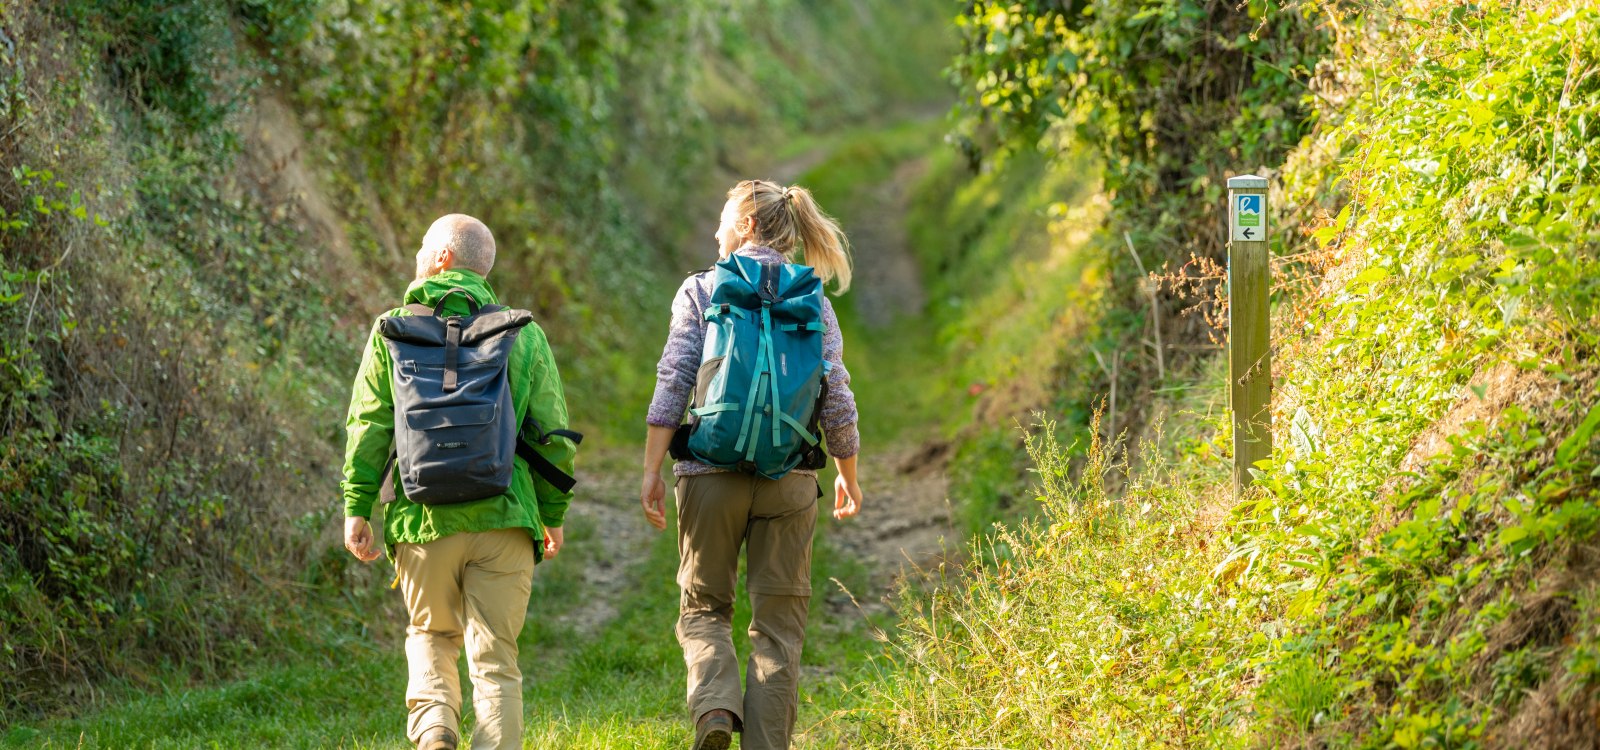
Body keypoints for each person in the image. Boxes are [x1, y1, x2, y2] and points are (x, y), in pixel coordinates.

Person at [640, 180, 865, 750]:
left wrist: (651, 467)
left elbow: (675, 377)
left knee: (704, 608)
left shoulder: (701, 289)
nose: (716, 231)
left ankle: (715, 709)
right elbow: (835, 393)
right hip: (789, 476)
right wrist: (847, 472)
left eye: (721, 220)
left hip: (709, 473)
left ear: (744, 226)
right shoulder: (812, 297)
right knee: (779, 630)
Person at [340, 214, 577, 750]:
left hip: (423, 522)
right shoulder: (522, 332)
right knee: (495, 662)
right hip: (505, 516)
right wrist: (552, 514)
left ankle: (435, 732)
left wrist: (358, 506)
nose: (420, 253)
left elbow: (369, 425)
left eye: (426, 245)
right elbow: (552, 434)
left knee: (431, 636)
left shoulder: (392, 329)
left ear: (444, 257)